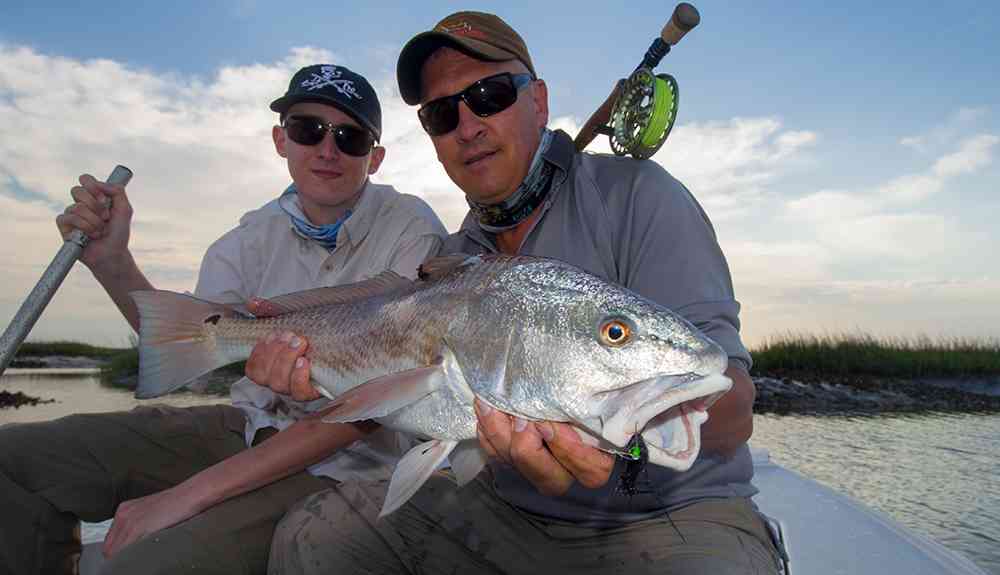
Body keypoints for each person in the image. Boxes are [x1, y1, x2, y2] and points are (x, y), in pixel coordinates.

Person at [255, 12, 784, 575]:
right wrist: (321, 380)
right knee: (316, 540)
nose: (468, 125)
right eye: (441, 113)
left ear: (539, 102)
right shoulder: (454, 261)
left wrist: (617, 441)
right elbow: (417, 401)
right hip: (504, 509)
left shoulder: (639, 197)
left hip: (669, 517)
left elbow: (733, 408)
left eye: (490, 94)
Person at [0, 64, 446, 575]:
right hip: (249, 427)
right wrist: (111, 261)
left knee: (147, 565)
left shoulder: (413, 231)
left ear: (377, 156)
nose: (327, 149)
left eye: (350, 137)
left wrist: (186, 496)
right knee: (11, 459)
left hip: (352, 464)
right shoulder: (247, 239)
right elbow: (186, 341)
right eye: (308, 129)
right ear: (281, 139)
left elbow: (371, 409)